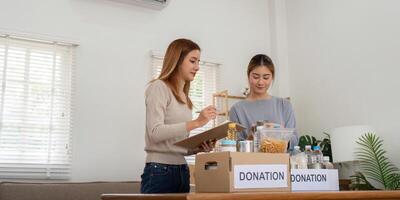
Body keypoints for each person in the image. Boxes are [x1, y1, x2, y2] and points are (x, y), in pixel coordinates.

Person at [140, 38, 216, 193]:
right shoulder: (158, 87)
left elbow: (175, 146)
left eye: (198, 62)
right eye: (193, 61)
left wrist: (197, 148)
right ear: (177, 60)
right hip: (159, 171)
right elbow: (154, 133)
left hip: (182, 170)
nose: (197, 67)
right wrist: (197, 122)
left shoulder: (184, 96)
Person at [229, 54, 298, 151]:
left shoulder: (284, 105)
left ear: (272, 77)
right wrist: (252, 137)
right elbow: (234, 147)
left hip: (280, 164)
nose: (261, 82)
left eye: (266, 77)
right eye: (256, 77)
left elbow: (295, 140)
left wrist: (279, 134)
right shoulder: (237, 109)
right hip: (248, 164)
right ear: (248, 76)